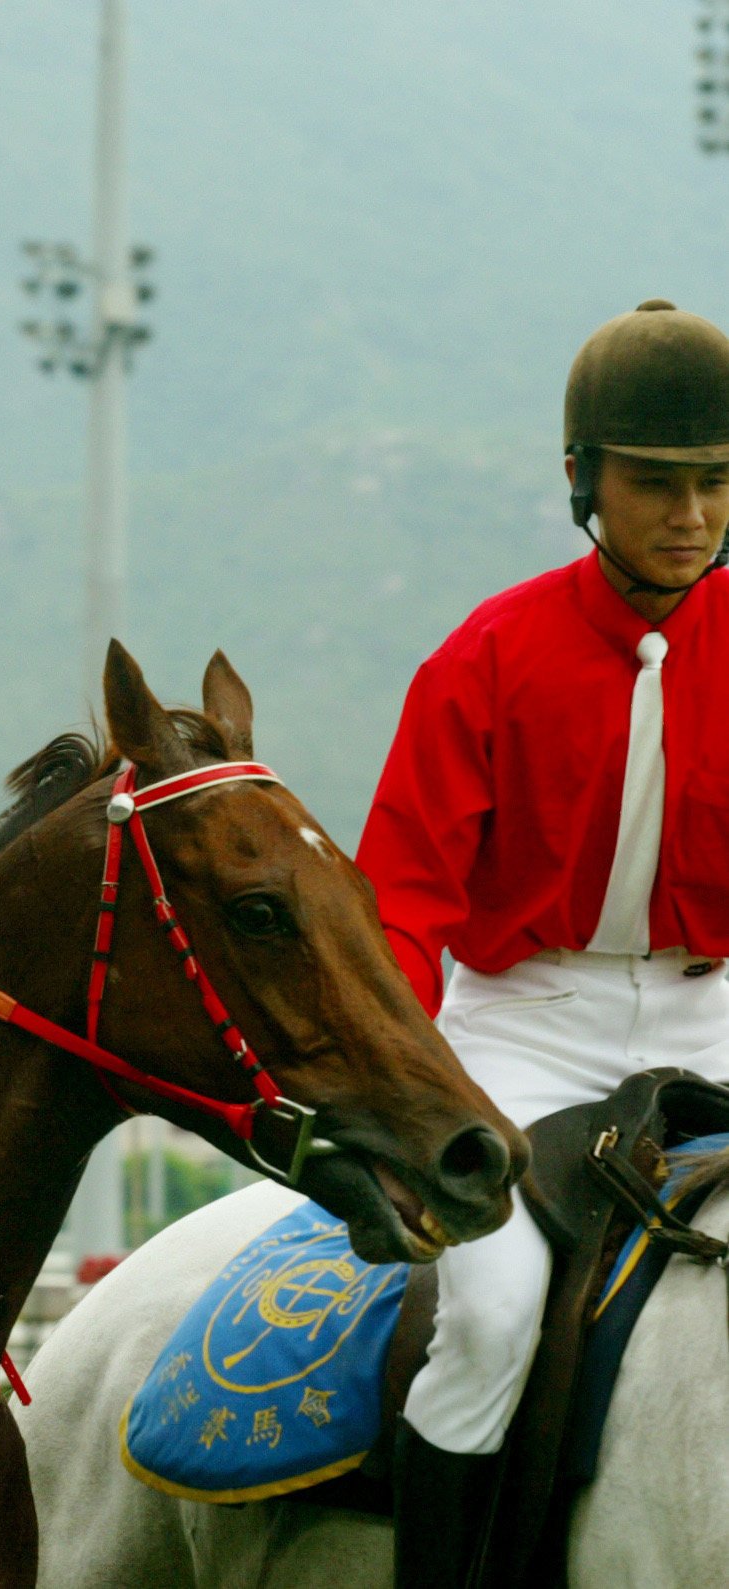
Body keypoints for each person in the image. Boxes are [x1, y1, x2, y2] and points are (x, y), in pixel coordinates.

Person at [357, 298, 729, 1585]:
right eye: (659, 484)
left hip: (715, 1017)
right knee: (499, 1310)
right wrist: (399, 1112)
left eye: (718, 485)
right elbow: (398, 905)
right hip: (523, 1029)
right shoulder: (487, 654)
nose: (692, 517)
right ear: (584, 480)